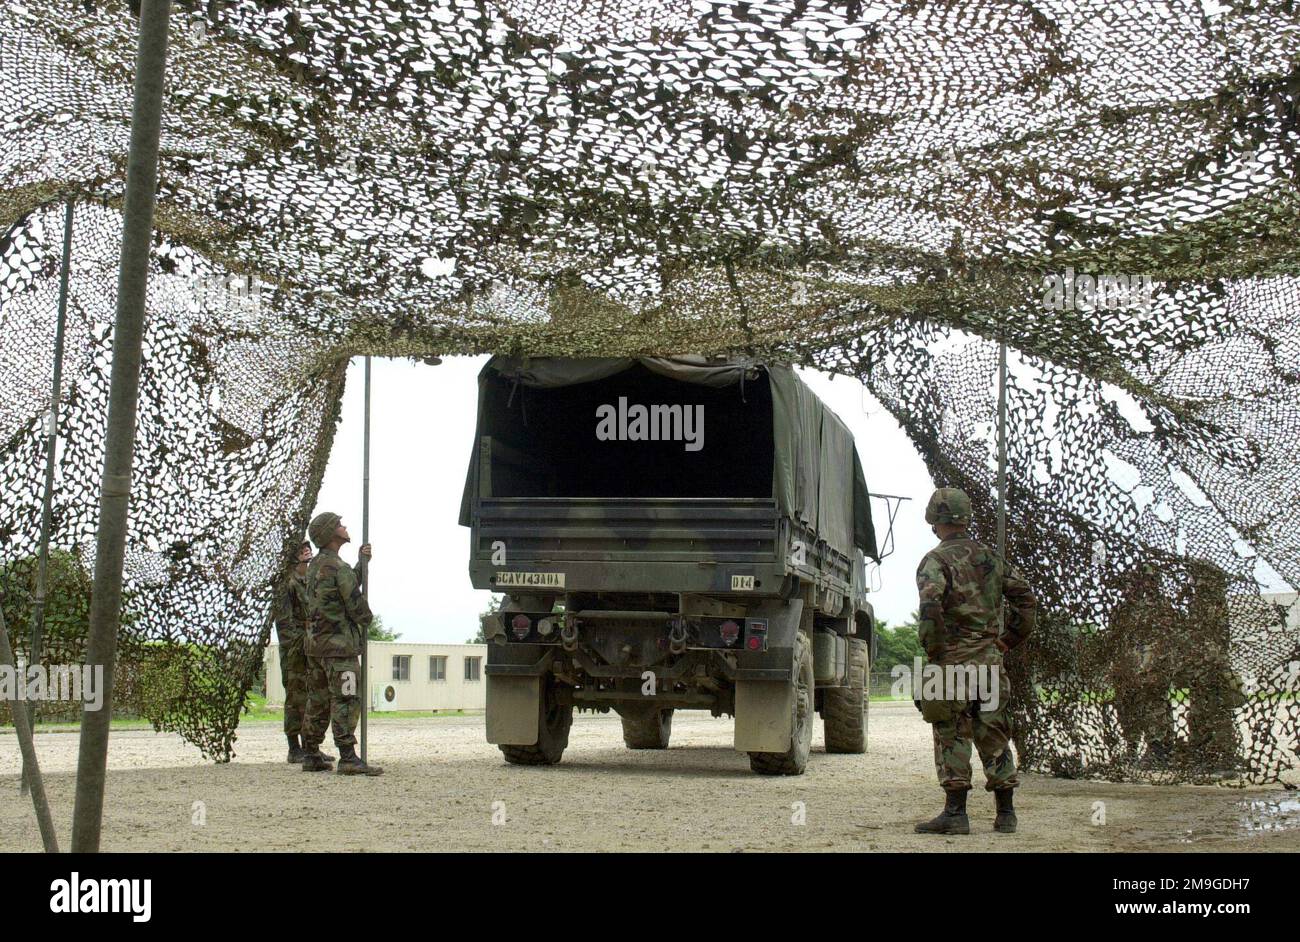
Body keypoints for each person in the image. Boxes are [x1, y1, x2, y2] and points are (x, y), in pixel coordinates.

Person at [912, 487, 1036, 835]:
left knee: (951, 733)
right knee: (994, 731)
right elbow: (1026, 601)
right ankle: (1006, 814)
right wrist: (1007, 640)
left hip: (951, 664)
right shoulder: (992, 558)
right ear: (966, 517)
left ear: (934, 520)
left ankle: (955, 814)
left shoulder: (934, 562)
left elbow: (930, 607)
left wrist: (936, 651)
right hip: (990, 663)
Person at [301, 512, 383, 776]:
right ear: (330, 534)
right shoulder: (338, 567)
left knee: (318, 700)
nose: (344, 527)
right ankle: (347, 757)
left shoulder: (315, 566)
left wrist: (362, 563)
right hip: (339, 649)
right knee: (346, 699)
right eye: (339, 525)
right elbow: (355, 603)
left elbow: (344, 585)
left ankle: (311, 753)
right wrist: (366, 618)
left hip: (315, 647)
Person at [273, 540, 327, 764]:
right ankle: (294, 747)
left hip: (309, 646)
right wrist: (298, 647)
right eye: (301, 550)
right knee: (296, 697)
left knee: (311, 697)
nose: (307, 552)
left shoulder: (309, 581)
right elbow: (284, 624)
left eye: (308, 549)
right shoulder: (287, 584)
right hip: (295, 649)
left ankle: (310, 746)